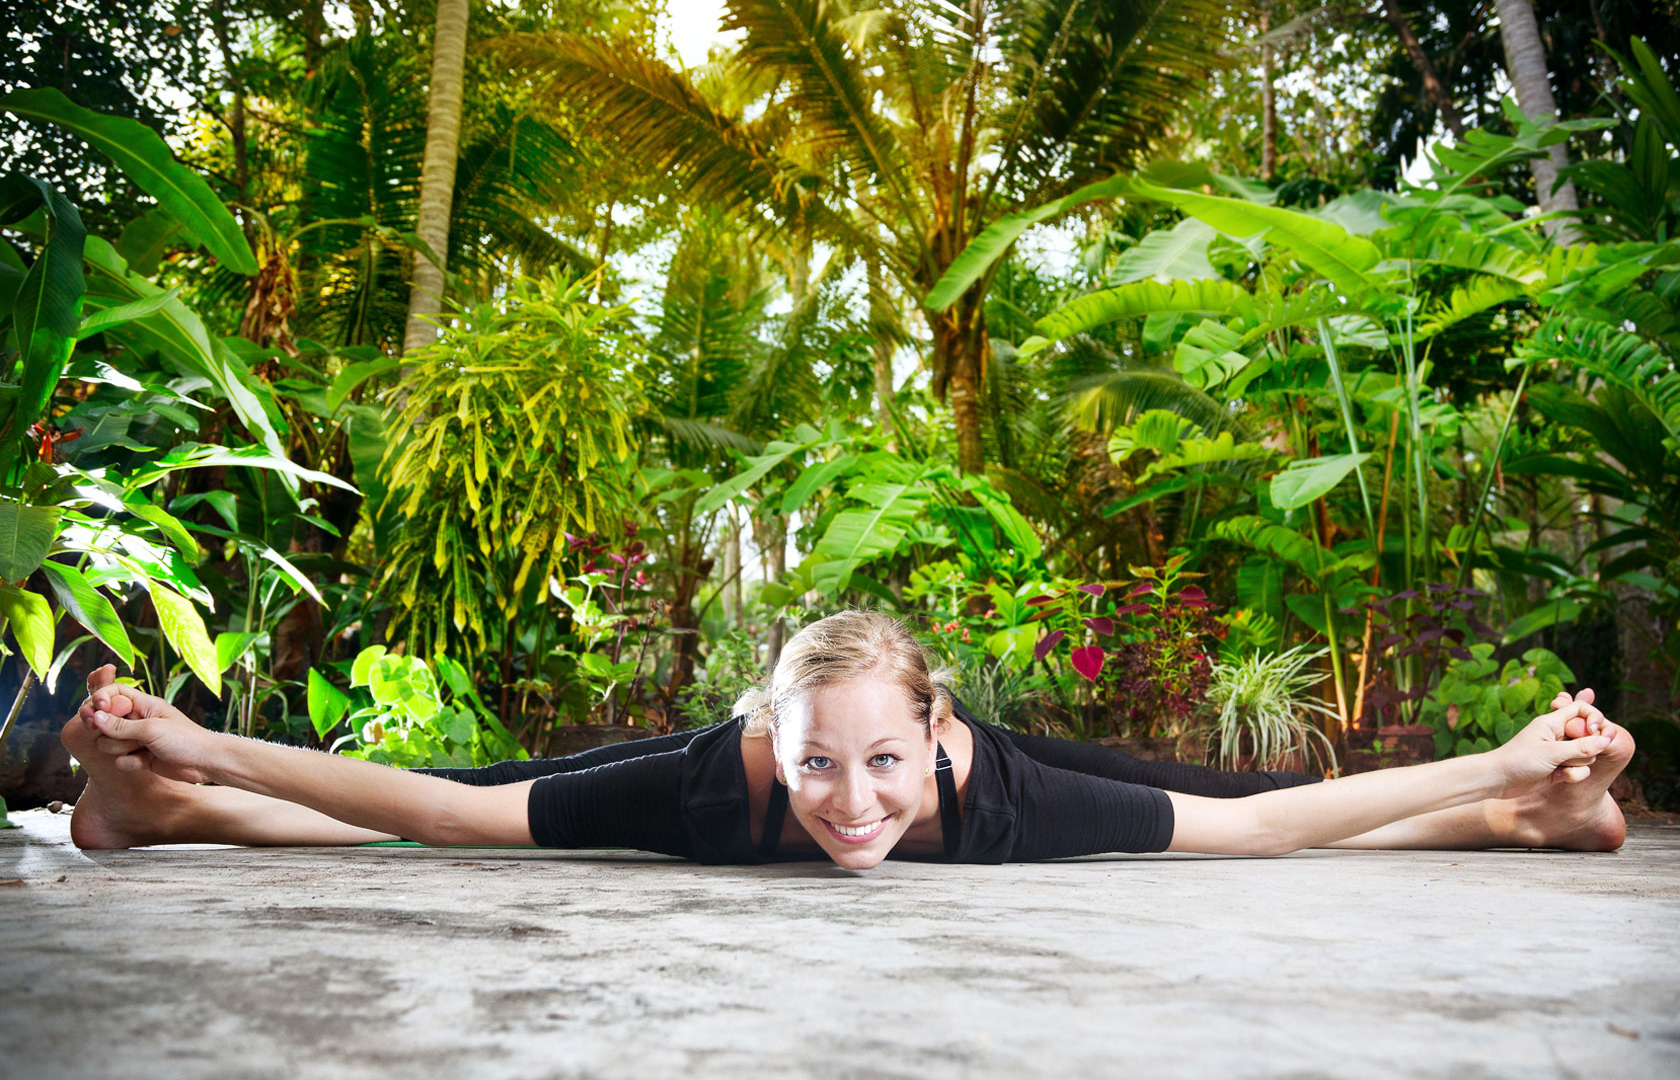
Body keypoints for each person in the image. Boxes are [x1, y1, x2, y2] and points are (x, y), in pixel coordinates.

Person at [60, 611, 1632, 868]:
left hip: (1009, 765)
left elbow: (1269, 837)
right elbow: (447, 815)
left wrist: (1500, 773)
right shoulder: (721, 780)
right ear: (769, 738)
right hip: (697, 758)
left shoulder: (992, 792)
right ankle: (167, 808)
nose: (853, 805)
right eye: (819, 763)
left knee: (1255, 798)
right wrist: (212, 747)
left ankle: (1525, 825)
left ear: (938, 737)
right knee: (468, 803)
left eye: (883, 761)